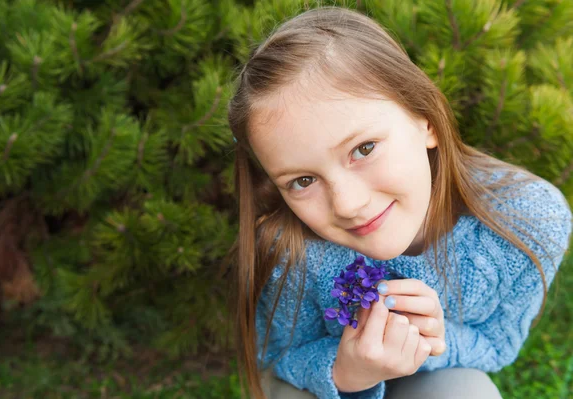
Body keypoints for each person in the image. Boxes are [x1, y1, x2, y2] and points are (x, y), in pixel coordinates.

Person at [222, 6, 572, 399]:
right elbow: (279, 356)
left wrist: (436, 342)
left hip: (435, 377)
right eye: (303, 180)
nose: (348, 204)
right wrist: (346, 371)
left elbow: (497, 344)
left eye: (364, 148)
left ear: (427, 121)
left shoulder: (526, 219)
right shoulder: (293, 249)